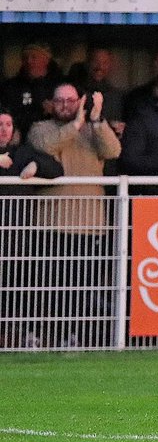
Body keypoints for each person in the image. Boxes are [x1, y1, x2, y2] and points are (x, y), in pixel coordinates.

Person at [27, 82, 122, 347]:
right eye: (60, 101)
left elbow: (113, 151)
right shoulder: (40, 128)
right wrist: (77, 123)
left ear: (80, 101)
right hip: (51, 223)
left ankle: (72, 335)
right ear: (51, 104)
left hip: (90, 224)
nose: (65, 106)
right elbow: (46, 146)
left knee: (80, 288)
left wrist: (97, 120)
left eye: (71, 100)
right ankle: (41, 335)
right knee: (47, 287)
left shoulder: (94, 129)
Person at [0, 105, 63, 348]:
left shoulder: (23, 153)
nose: (3, 130)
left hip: (15, 239)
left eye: (7, 124)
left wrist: (37, 167)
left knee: (15, 287)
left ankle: (14, 335)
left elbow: (57, 169)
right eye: (0, 125)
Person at [0, 42, 64, 136]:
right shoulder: (10, 87)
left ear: (46, 60)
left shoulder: (61, 87)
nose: (29, 61)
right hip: (19, 140)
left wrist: (56, 112)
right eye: (25, 58)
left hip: (52, 139)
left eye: (34, 57)